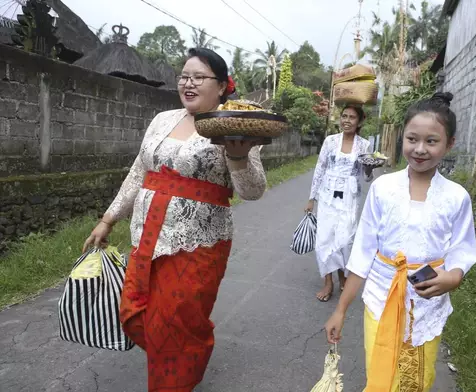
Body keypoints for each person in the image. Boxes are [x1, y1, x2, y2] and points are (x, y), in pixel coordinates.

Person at [82, 48, 266, 392]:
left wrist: (238, 156)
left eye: (199, 77)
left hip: (199, 244)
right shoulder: (162, 120)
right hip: (147, 237)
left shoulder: (236, 125)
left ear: (223, 86)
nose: (188, 83)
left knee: (174, 323)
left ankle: (178, 368)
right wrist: (108, 219)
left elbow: (252, 191)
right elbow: (138, 173)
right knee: (134, 312)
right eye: (184, 76)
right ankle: (187, 351)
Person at [324, 92, 476, 391]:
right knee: (380, 371)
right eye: (412, 139)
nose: (420, 149)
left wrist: (453, 277)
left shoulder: (456, 197)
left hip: (426, 305)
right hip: (381, 300)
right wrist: (340, 310)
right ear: (402, 138)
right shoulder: (383, 189)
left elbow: (462, 247)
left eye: (431, 141)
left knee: (415, 379)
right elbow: (363, 253)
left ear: (450, 144)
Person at [306, 105, 374, 302]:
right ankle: (328, 282)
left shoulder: (364, 145)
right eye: (344, 116)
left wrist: (369, 169)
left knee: (344, 241)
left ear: (359, 121)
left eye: (352, 117)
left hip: (349, 198)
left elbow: (366, 177)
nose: (347, 120)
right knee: (323, 241)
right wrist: (312, 199)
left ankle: (343, 276)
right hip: (327, 197)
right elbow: (320, 169)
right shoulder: (330, 141)